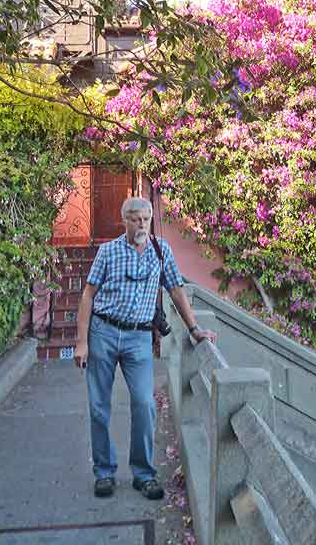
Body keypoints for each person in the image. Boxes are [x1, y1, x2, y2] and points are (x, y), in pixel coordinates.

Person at [74, 196, 217, 500]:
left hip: (139, 339)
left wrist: (194, 329)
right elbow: (88, 295)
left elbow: (176, 289)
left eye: (146, 218)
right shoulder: (108, 252)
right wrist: (82, 341)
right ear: (123, 219)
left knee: (144, 403)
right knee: (99, 406)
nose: (142, 223)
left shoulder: (160, 250)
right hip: (104, 332)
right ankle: (104, 472)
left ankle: (143, 473)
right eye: (135, 218)